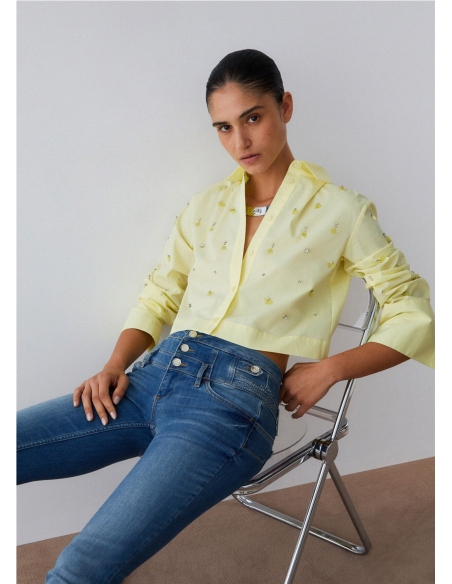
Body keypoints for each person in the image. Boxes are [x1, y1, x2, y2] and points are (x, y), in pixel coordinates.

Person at [17, 49, 435, 583]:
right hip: (149, 377)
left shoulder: (342, 211)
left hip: (229, 405)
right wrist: (115, 364)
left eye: (253, 118)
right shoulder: (205, 207)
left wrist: (332, 368)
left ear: (285, 107)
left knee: (81, 566)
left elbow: (412, 307)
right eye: (224, 127)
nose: (240, 141)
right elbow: (161, 291)